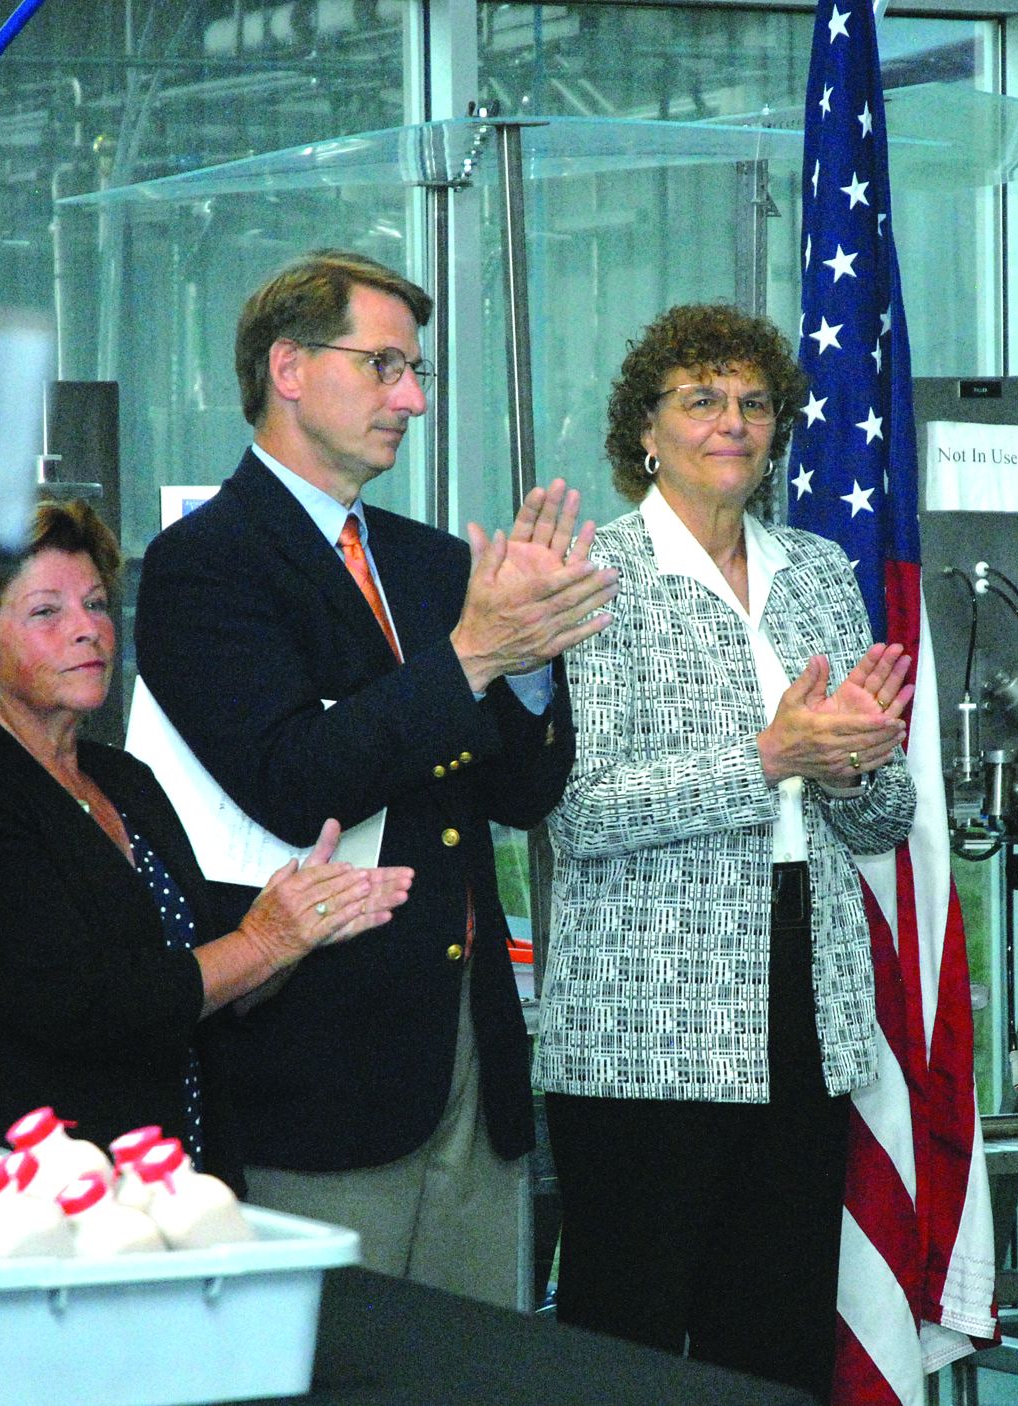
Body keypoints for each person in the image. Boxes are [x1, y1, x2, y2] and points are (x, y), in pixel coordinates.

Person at [133, 249, 616, 1307]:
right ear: (290, 367)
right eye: (388, 365)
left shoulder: (437, 563)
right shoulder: (205, 562)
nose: (414, 399)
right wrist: (477, 655)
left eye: (419, 371)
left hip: (466, 1057)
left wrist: (532, 666)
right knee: (338, 1363)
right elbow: (295, 777)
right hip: (316, 1064)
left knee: (472, 1367)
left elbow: (521, 797)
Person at [537, 304, 916, 1404]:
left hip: (807, 997)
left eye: (755, 403)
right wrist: (771, 754)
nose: (733, 422)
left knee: (777, 1337)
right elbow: (583, 811)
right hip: (646, 1021)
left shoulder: (818, 569)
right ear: (643, 430)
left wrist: (848, 764)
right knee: (631, 1346)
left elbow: (883, 821)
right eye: (701, 399)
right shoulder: (587, 576)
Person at [0, 499, 412, 1185]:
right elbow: (88, 1006)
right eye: (47, 613)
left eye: (98, 604)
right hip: (39, 1192)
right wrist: (260, 942)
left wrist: (298, 927)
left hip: (176, 1174)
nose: (89, 631)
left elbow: (195, 975)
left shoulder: (123, 778)